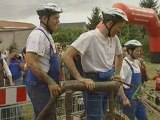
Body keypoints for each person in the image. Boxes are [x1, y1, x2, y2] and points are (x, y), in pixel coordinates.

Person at [62, 8, 128, 120]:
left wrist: (117, 73)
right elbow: (66, 56)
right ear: (110, 23)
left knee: (102, 115)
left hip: (108, 82)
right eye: (119, 27)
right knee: (96, 118)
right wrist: (79, 78)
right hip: (93, 83)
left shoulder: (114, 38)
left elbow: (119, 55)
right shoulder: (89, 36)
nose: (120, 31)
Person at [25, 2, 62, 120]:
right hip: (39, 86)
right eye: (55, 18)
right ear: (44, 18)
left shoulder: (47, 35)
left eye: (58, 18)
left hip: (44, 85)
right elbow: (31, 63)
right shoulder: (38, 35)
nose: (58, 21)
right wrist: (51, 82)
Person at [118, 40, 148, 120]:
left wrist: (142, 92)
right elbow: (119, 84)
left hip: (138, 98)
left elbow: (139, 82)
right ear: (130, 51)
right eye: (137, 50)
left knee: (143, 117)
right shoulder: (124, 64)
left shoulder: (137, 62)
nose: (139, 53)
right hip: (129, 99)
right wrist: (124, 99)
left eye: (140, 50)